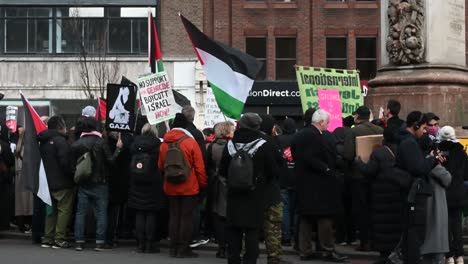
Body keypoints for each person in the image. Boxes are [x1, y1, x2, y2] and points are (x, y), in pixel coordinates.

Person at [219, 113, 278, 264]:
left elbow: (222, 170)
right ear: (257, 126)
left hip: (233, 193)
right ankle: (250, 260)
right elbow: (273, 171)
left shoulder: (230, 145)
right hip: (255, 193)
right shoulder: (263, 145)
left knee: (234, 229)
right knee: (252, 230)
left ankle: (233, 259)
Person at [291, 109, 347, 262]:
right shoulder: (315, 136)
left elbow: (298, 156)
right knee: (324, 217)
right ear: (321, 122)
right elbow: (313, 158)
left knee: (306, 217)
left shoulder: (300, 135)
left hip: (303, 183)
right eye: (327, 123)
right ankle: (328, 249)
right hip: (319, 184)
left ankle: (305, 250)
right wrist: (327, 169)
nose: (327, 126)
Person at [356, 128, 410, 263]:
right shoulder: (401, 150)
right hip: (398, 192)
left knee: (382, 223)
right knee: (394, 222)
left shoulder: (379, 152)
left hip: (380, 194)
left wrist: (359, 163)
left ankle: (385, 255)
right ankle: (394, 252)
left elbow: (369, 171)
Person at [158, 113, 207, 258]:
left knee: (174, 216)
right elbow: (200, 168)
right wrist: (203, 185)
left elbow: (160, 166)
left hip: (170, 185)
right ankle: (183, 249)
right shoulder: (190, 142)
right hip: (189, 186)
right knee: (186, 218)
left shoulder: (164, 143)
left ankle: (173, 248)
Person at [72, 117, 123, 251]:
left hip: (83, 183)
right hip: (101, 183)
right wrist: (118, 150)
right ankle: (100, 242)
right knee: (101, 212)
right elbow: (111, 161)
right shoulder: (101, 142)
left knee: (81, 212)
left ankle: (79, 241)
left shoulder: (77, 143)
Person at [396, 111, 439, 264]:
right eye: (423, 128)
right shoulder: (409, 143)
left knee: (412, 232)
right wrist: (433, 159)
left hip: (412, 193)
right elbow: (419, 168)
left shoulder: (409, 142)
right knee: (414, 232)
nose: (425, 131)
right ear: (415, 126)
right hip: (413, 195)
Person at [344, 105, 383, 251]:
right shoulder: (379, 130)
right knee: (374, 208)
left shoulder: (353, 131)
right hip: (375, 175)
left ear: (358, 116)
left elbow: (348, 154)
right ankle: (375, 240)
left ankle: (364, 241)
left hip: (358, 175)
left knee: (361, 209)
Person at [38, 116, 75, 249]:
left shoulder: (43, 141)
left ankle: (47, 238)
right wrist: (73, 175)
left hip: (47, 183)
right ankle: (59, 239)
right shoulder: (61, 141)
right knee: (63, 210)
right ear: (60, 127)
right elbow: (65, 163)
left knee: (50, 212)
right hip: (63, 182)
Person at [128, 123, 163, 253]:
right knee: (151, 213)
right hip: (153, 183)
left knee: (139, 212)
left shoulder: (134, 144)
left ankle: (140, 244)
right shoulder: (158, 145)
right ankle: (149, 244)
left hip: (136, 183)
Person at [438, 126, 468, 264]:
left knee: (444, 225)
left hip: (442, 193)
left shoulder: (437, 151)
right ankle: (460, 256)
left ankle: (449, 256)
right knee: (456, 225)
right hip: (458, 193)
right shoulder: (461, 152)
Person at [259, 114, 286, 264]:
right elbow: (278, 167)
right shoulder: (271, 142)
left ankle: (247, 255)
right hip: (271, 190)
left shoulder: (249, 141)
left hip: (253, 191)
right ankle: (274, 256)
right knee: (273, 225)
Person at [181, 105, 209, 247]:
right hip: (192, 178)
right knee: (193, 209)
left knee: (177, 210)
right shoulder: (195, 134)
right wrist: (203, 180)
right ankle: (193, 236)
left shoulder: (175, 133)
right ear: (193, 116)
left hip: (175, 177)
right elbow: (201, 159)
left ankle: (178, 237)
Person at [206, 121, 235, 258]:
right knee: (229, 216)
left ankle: (221, 246)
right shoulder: (232, 147)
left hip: (216, 185)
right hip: (230, 184)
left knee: (218, 216)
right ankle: (230, 246)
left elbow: (207, 166)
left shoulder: (211, 147)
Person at [333, 116, 356, 246]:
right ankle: (351, 236)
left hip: (338, 178)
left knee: (340, 209)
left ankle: (340, 237)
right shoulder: (353, 135)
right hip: (351, 177)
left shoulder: (336, 134)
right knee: (350, 208)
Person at [275, 118, 297, 247]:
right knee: (296, 210)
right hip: (297, 177)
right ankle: (296, 234)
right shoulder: (298, 138)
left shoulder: (278, 140)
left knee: (285, 209)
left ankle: (286, 236)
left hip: (283, 178)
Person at [14, 127, 33, 234]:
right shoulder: (28, 147)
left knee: (20, 202)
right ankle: (29, 224)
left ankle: (21, 224)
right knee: (29, 202)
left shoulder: (18, 146)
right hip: (27, 175)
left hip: (19, 176)